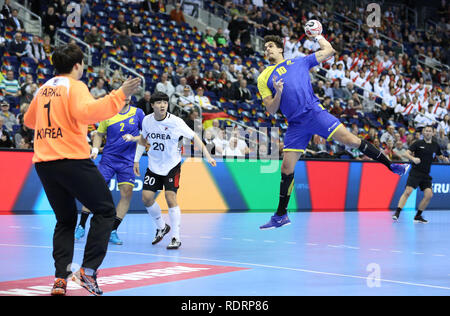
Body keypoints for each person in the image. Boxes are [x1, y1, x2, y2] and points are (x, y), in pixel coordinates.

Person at [257, 33, 409, 230]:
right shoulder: (263, 77)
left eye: (271, 45)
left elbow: (329, 51)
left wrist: (318, 35)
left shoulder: (299, 61)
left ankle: (391, 166)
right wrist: (278, 92)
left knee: (352, 140)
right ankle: (280, 215)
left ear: (280, 49)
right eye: (265, 46)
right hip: (295, 124)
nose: (267, 48)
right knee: (286, 169)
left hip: (314, 113)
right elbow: (270, 109)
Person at [23, 43, 141, 296]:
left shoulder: (44, 88)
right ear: (77, 65)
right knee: (106, 210)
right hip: (71, 160)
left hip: (45, 164)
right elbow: (90, 113)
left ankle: (60, 279)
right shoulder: (75, 86)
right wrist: (119, 94)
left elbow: (29, 121)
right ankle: (88, 270)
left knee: (65, 220)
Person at [133, 92, 216, 249]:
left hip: (172, 165)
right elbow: (143, 140)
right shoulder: (147, 121)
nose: (162, 105)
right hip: (153, 165)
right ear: (152, 105)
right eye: (158, 103)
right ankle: (162, 227)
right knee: (146, 198)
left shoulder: (176, 122)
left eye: (165, 102)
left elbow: (195, 137)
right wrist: (136, 160)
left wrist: (207, 155)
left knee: (170, 197)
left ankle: (175, 237)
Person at [74, 97, 145, 245]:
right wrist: (94, 150)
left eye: (129, 95)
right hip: (108, 160)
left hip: (127, 161)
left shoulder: (138, 113)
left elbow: (146, 136)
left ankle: (112, 230)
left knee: (127, 194)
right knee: (94, 191)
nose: (126, 97)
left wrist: (133, 138)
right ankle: (81, 226)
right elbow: (99, 134)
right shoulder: (108, 114)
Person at [393, 126, 449, 223]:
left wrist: (443, 158)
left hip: (426, 175)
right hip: (415, 172)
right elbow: (405, 153)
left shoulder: (435, 145)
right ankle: (397, 212)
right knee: (408, 192)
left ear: (433, 133)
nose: (427, 132)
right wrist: (413, 158)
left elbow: (439, 154)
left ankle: (418, 216)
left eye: (429, 131)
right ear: (423, 133)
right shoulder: (418, 143)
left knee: (429, 195)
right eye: (426, 131)